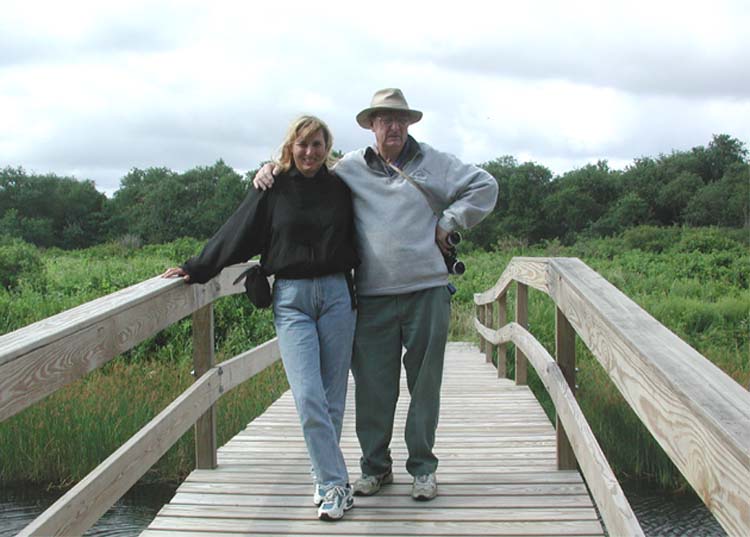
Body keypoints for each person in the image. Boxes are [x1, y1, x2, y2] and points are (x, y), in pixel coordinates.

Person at [254, 88, 498, 501]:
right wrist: (268, 168)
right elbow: (306, 171)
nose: (394, 126)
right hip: (372, 297)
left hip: (427, 291)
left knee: (425, 385)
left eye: (400, 119)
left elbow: (485, 186)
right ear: (371, 126)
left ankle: (422, 468)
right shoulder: (348, 168)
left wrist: (449, 220)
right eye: (384, 119)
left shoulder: (435, 162)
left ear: (410, 124)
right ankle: (375, 467)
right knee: (372, 387)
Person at [163, 115, 359, 521]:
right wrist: (196, 267)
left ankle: (327, 481)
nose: (310, 152)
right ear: (291, 147)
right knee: (308, 397)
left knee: (332, 398)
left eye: (317, 145)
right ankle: (336, 483)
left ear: (328, 149)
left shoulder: (342, 187)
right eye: (302, 144)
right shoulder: (272, 188)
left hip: (338, 295)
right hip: (291, 299)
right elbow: (236, 231)